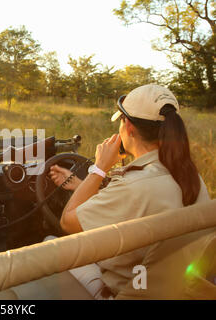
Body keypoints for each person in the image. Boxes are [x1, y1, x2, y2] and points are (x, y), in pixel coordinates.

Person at [49, 84, 210, 299]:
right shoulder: (192, 178)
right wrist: (82, 185)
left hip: (121, 290)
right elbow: (136, 200)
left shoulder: (131, 186)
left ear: (129, 127)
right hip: (176, 290)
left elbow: (68, 223)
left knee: (50, 241)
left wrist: (99, 168)